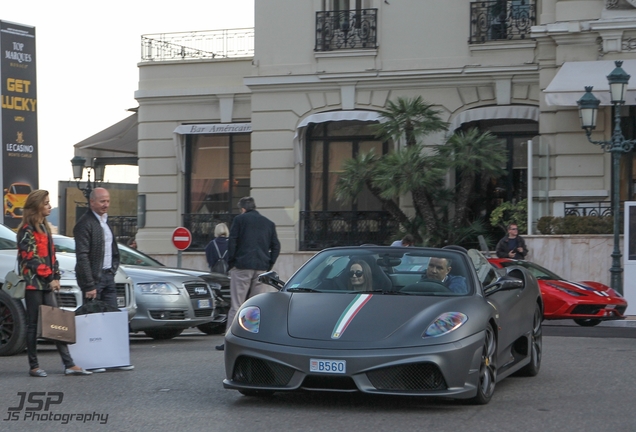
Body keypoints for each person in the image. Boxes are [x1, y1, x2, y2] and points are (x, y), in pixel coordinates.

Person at [18, 190, 92, 377]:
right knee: (33, 325)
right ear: (37, 206)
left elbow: (52, 256)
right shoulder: (26, 230)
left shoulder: (45, 228)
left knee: (57, 322)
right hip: (33, 284)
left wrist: (56, 276)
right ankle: (34, 366)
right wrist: (50, 277)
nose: (49, 206)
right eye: (46, 203)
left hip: (46, 282)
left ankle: (69, 364)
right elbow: (30, 259)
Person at [73, 187, 134, 372]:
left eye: (107, 201)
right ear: (92, 202)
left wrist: (113, 269)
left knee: (113, 319)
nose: (106, 204)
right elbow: (82, 256)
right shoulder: (85, 223)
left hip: (108, 276)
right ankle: (94, 361)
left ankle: (116, 358)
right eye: (102, 201)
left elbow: (114, 250)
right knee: (92, 322)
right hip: (94, 279)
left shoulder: (105, 222)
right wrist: (89, 284)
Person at [216, 197, 280, 351]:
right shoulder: (268, 223)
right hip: (261, 267)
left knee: (237, 305)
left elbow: (233, 241)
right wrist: (268, 264)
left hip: (242, 266)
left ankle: (230, 341)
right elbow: (276, 246)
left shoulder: (240, 220)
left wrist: (232, 263)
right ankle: (251, 341)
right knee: (254, 306)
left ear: (242, 208)